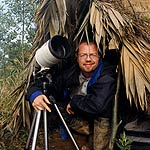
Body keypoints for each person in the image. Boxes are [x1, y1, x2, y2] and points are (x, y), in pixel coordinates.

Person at [26, 40, 118, 150]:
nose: (88, 59)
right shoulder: (71, 71)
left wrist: (73, 102)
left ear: (99, 56)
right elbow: (50, 87)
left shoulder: (107, 74)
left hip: (99, 116)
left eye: (93, 55)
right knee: (55, 105)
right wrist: (35, 94)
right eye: (83, 55)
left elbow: (98, 105)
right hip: (77, 114)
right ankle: (84, 131)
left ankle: (91, 136)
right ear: (77, 57)